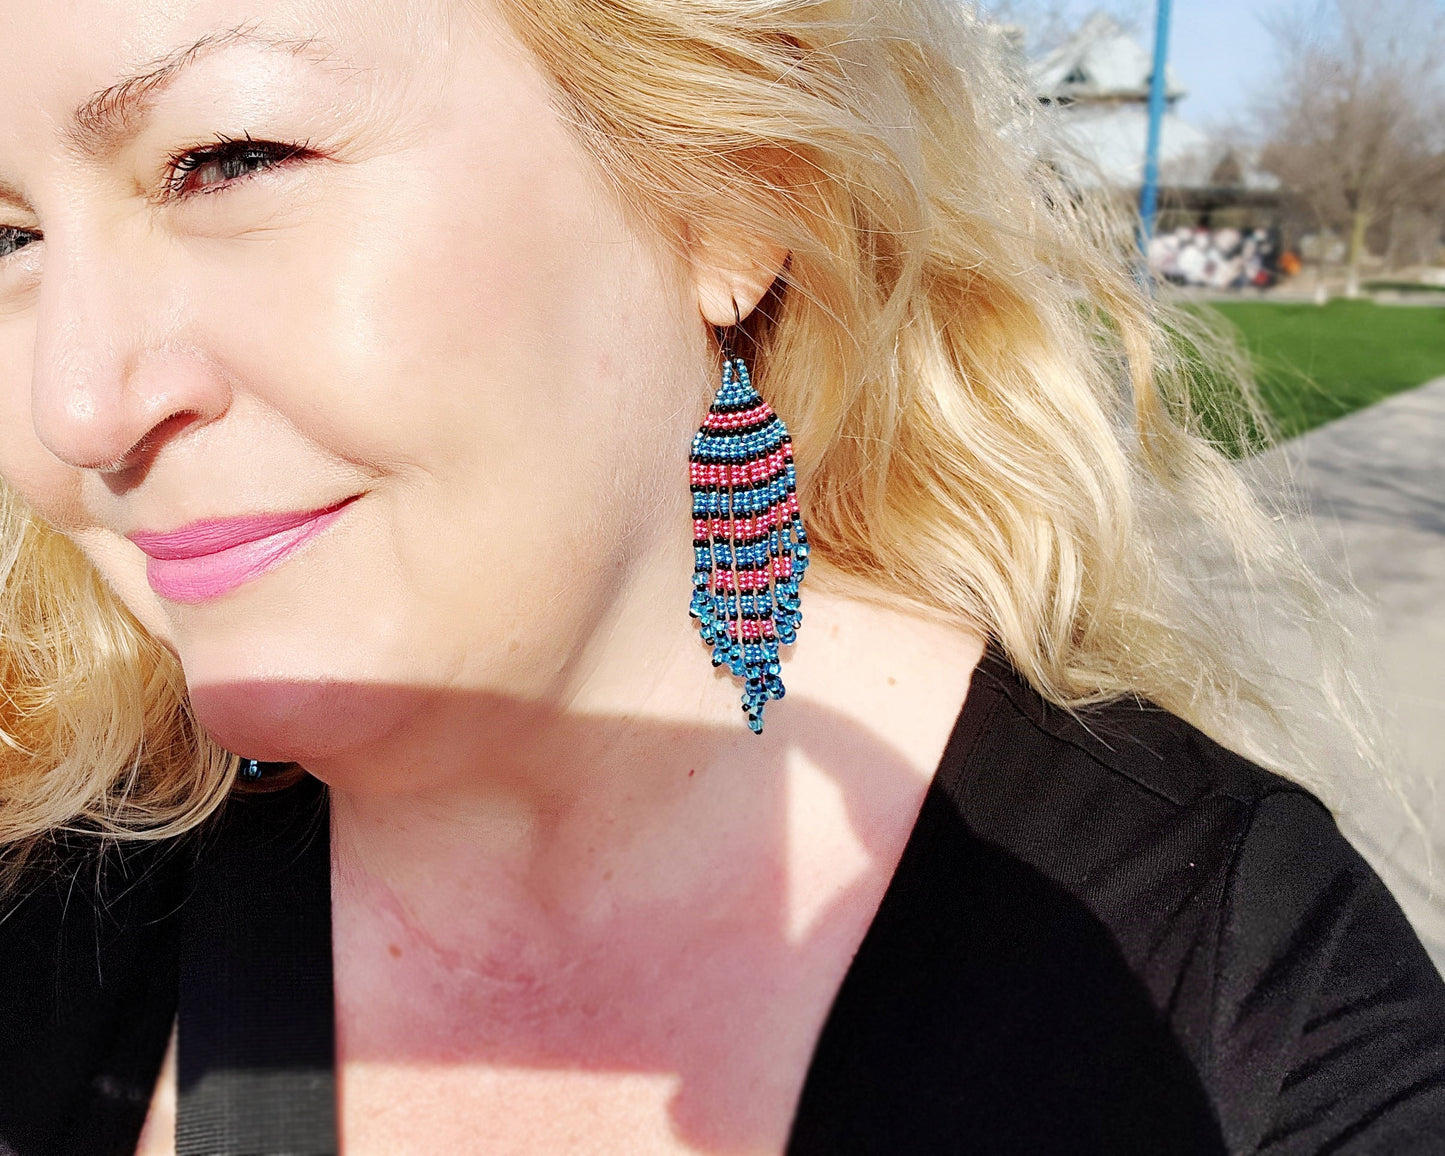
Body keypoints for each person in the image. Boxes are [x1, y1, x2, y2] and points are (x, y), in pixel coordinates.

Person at [0, 0, 1442, 1153]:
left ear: (731, 195)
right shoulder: (60, 915)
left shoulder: (1229, 1012)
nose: (73, 409)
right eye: (9, 238)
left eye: (228, 158)